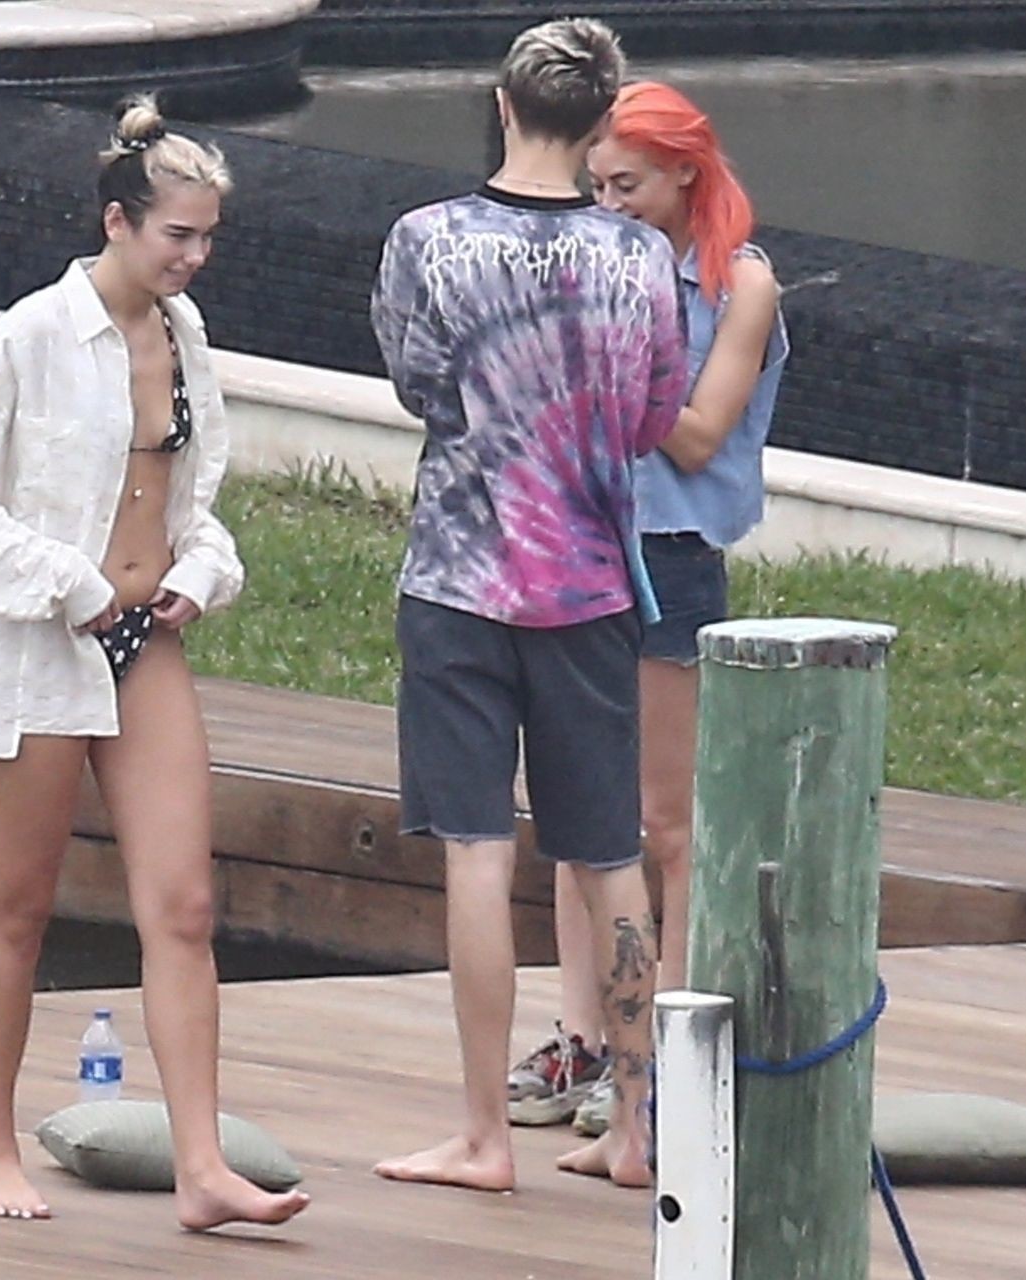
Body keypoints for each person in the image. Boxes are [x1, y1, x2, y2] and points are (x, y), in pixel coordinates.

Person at [0, 96, 311, 1232]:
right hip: (39, 640)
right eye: (178, 234)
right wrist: (67, 582)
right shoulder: (30, 335)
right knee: (20, 902)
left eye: (208, 237)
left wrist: (203, 570)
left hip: (144, 641)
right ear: (118, 221)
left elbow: (189, 501)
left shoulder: (184, 338)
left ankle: (202, 1166)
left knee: (184, 904)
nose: (195, 256)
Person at [368, 19, 688, 1192]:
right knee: (609, 856)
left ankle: (483, 1132)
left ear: (504, 106)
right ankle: (636, 1124)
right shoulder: (642, 257)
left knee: (473, 848)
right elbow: (654, 414)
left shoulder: (428, 240)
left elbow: (419, 383)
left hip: (461, 578)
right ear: (602, 124)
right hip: (591, 584)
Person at [509, 79, 788, 1138]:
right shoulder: (590, 259)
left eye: (627, 185)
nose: (608, 205)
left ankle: (664, 1045)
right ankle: (584, 1036)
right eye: (596, 186)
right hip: (579, 539)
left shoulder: (740, 284)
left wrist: (617, 352)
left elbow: (701, 434)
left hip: (671, 550)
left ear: (684, 172)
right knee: (578, 805)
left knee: (666, 818)